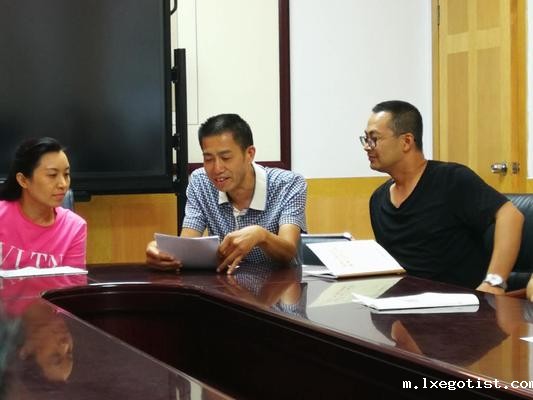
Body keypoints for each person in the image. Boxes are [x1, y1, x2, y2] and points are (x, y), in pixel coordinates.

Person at [362, 100, 523, 294]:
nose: (367, 147)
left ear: (406, 142)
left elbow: (511, 215)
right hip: (401, 305)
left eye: (374, 139)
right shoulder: (378, 199)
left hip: (459, 305)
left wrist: (494, 282)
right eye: (365, 139)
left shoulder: (452, 180)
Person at [146, 113, 307, 274]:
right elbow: (188, 242)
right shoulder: (201, 182)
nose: (217, 169)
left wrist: (261, 236)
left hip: (279, 285)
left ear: (249, 154)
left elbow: (289, 251)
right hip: (224, 284)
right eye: (208, 159)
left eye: (226, 157)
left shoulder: (288, 184)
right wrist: (164, 252)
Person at [0, 137, 87, 269]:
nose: (63, 184)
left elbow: (73, 281)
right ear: (23, 180)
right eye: (52, 175)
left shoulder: (74, 227)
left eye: (66, 174)